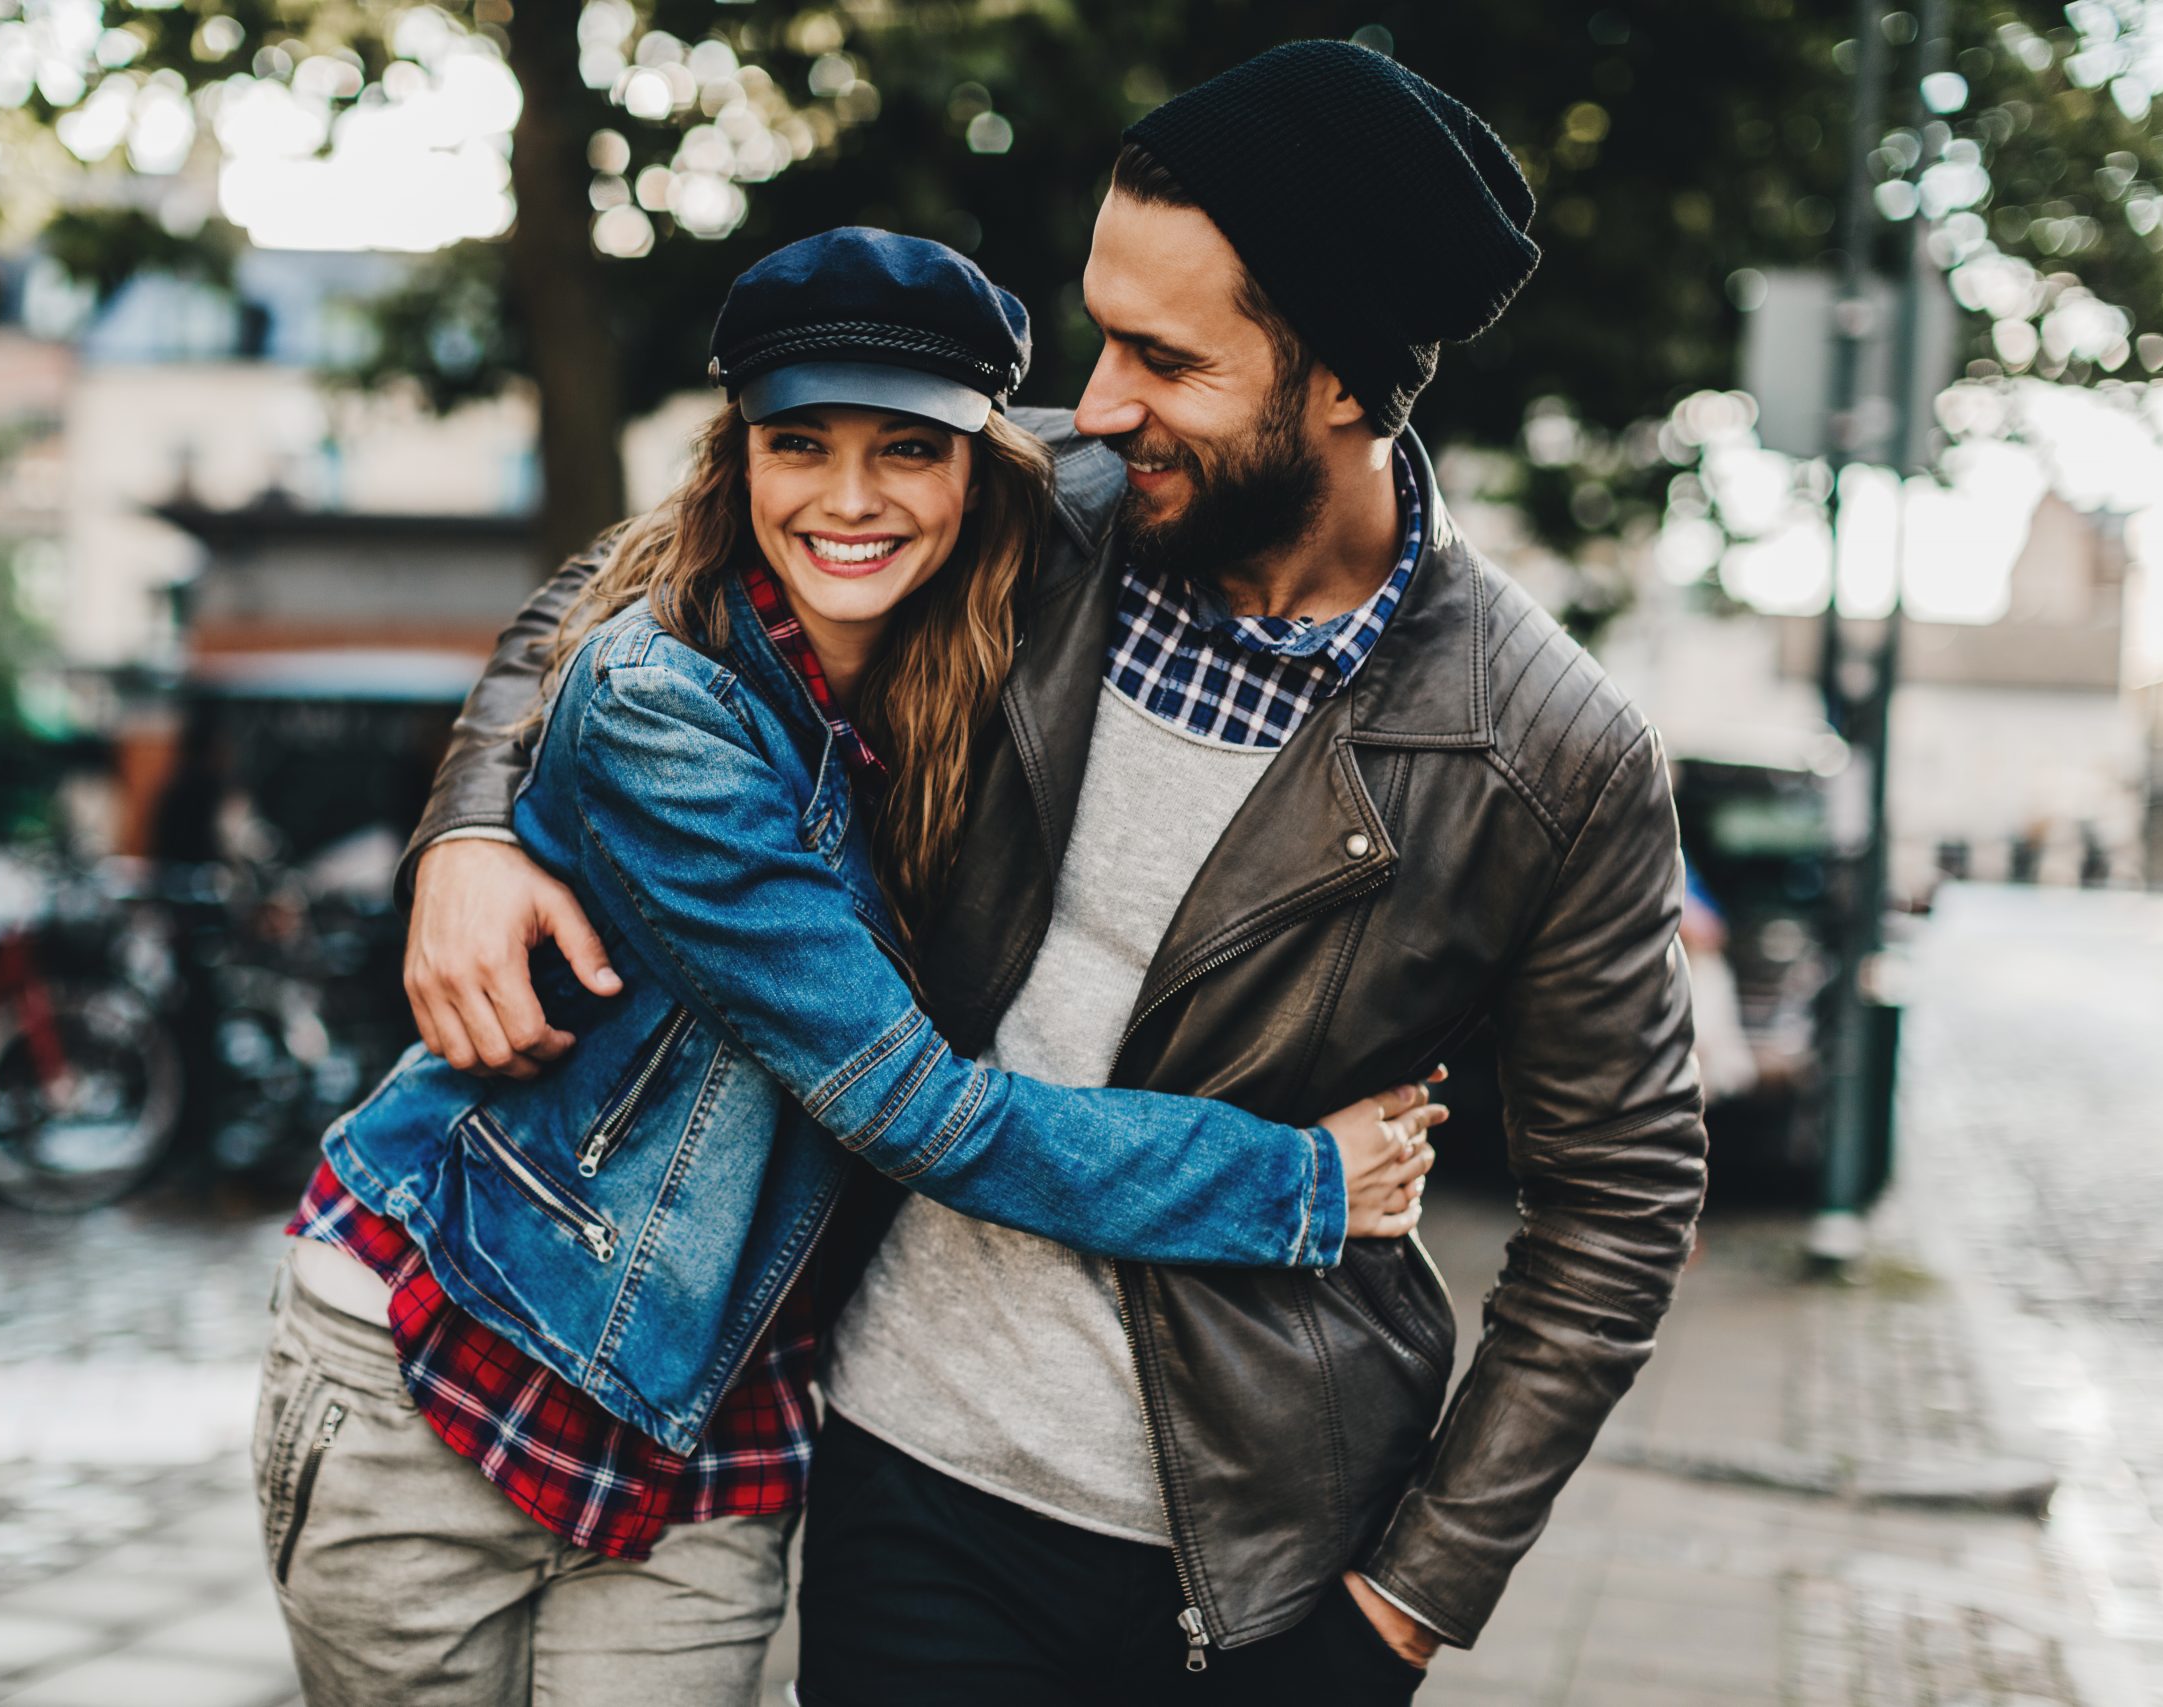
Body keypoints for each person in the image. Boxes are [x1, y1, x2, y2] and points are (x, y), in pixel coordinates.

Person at [402, 42, 1709, 1706]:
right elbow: (643, 580)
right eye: (1101, 333)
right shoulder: (1033, 508)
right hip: (904, 1473)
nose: (1093, 400)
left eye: (1163, 358)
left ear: (1348, 385)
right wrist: (474, 827)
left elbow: (1621, 1209)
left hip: (1254, 1566)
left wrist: (1403, 1609)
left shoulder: (1552, 754)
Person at [254, 227, 1446, 1707]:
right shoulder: (662, 711)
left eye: (907, 449)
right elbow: (913, 1109)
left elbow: (1274, 492)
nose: (850, 498)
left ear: (983, 468)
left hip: (718, 1415)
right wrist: (1296, 1185)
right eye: (798, 443)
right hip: (454, 1353)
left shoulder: (994, 612)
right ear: (737, 458)